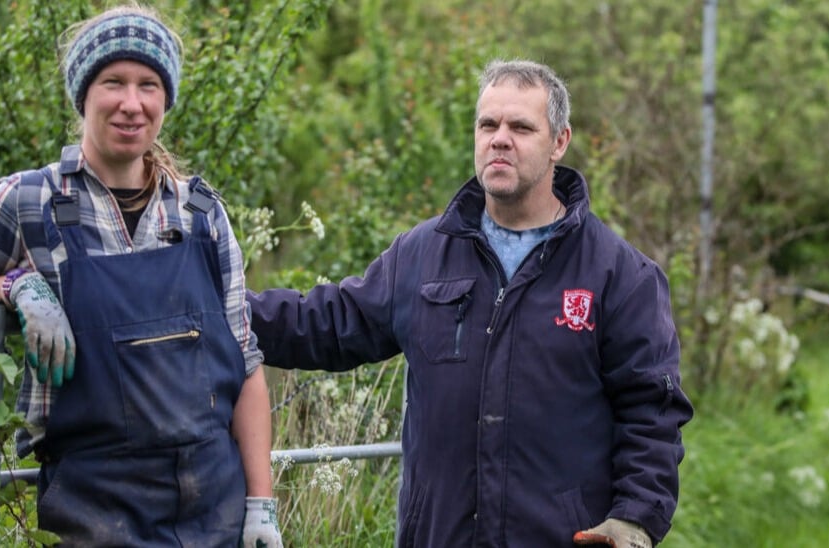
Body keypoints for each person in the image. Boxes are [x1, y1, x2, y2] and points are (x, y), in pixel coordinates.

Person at [247, 59, 694, 547]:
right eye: (488, 125)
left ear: (559, 142)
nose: (500, 138)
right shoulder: (422, 255)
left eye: (521, 127)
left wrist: (635, 519)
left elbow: (652, 414)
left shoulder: (620, 275)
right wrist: (222, 309)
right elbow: (329, 322)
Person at [0, 5, 281, 546]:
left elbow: (246, 364)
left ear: (166, 99)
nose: (132, 104)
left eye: (148, 85)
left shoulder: (201, 214)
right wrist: (12, 287)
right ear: (83, 94)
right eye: (114, 82)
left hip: (213, 508)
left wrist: (260, 506)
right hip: (94, 511)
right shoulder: (29, 202)